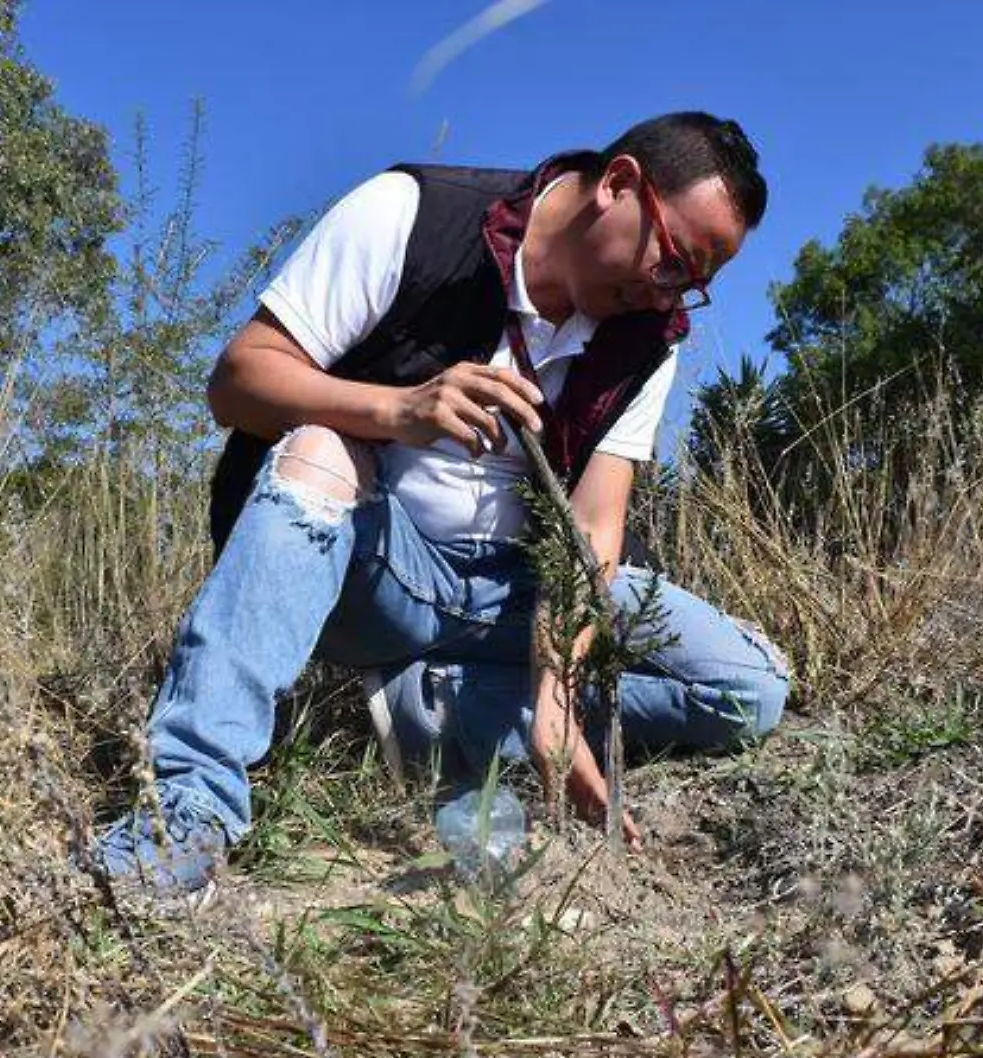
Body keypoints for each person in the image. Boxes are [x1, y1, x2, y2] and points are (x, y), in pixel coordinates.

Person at [95, 111, 791, 897]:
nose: (672, 295)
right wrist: (397, 411)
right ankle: (185, 812)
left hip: (513, 591)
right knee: (321, 450)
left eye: (695, 285)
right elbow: (238, 384)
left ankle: (432, 711)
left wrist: (556, 702)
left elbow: (593, 526)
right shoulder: (410, 214)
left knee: (746, 688)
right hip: (376, 572)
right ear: (619, 184)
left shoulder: (648, 337)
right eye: (675, 262)